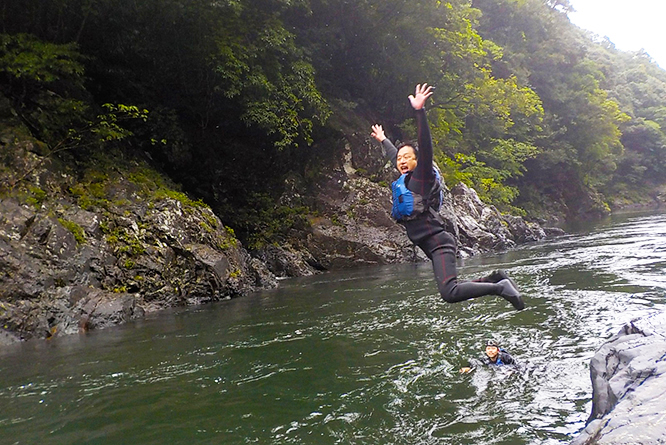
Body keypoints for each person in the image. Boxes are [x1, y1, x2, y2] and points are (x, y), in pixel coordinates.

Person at [371, 83, 524, 310]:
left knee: (450, 292)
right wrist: (383, 139)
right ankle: (495, 279)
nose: (401, 161)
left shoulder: (422, 177)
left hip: (439, 244)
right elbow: (396, 154)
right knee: (450, 288)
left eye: (407, 157)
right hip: (431, 245)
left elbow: (425, 145)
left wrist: (419, 111)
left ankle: (500, 288)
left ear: (417, 161)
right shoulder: (407, 180)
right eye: (399, 158)